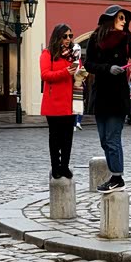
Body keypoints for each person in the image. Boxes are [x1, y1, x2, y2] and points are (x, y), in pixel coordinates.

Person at [84, 5, 131, 194]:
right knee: (104, 140)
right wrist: (107, 68)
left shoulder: (125, 39)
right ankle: (114, 176)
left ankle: (117, 177)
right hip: (101, 94)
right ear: (110, 19)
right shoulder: (95, 38)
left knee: (112, 138)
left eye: (125, 18)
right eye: (121, 18)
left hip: (118, 95)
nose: (124, 21)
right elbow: (89, 64)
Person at [41, 24, 80, 180]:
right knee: (55, 137)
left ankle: (65, 166)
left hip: (70, 101)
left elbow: (77, 73)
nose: (68, 39)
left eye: (70, 36)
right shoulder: (48, 53)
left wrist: (81, 74)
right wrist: (65, 72)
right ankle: (55, 167)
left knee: (68, 137)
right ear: (57, 37)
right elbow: (45, 74)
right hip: (54, 102)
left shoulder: (73, 55)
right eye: (65, 36)